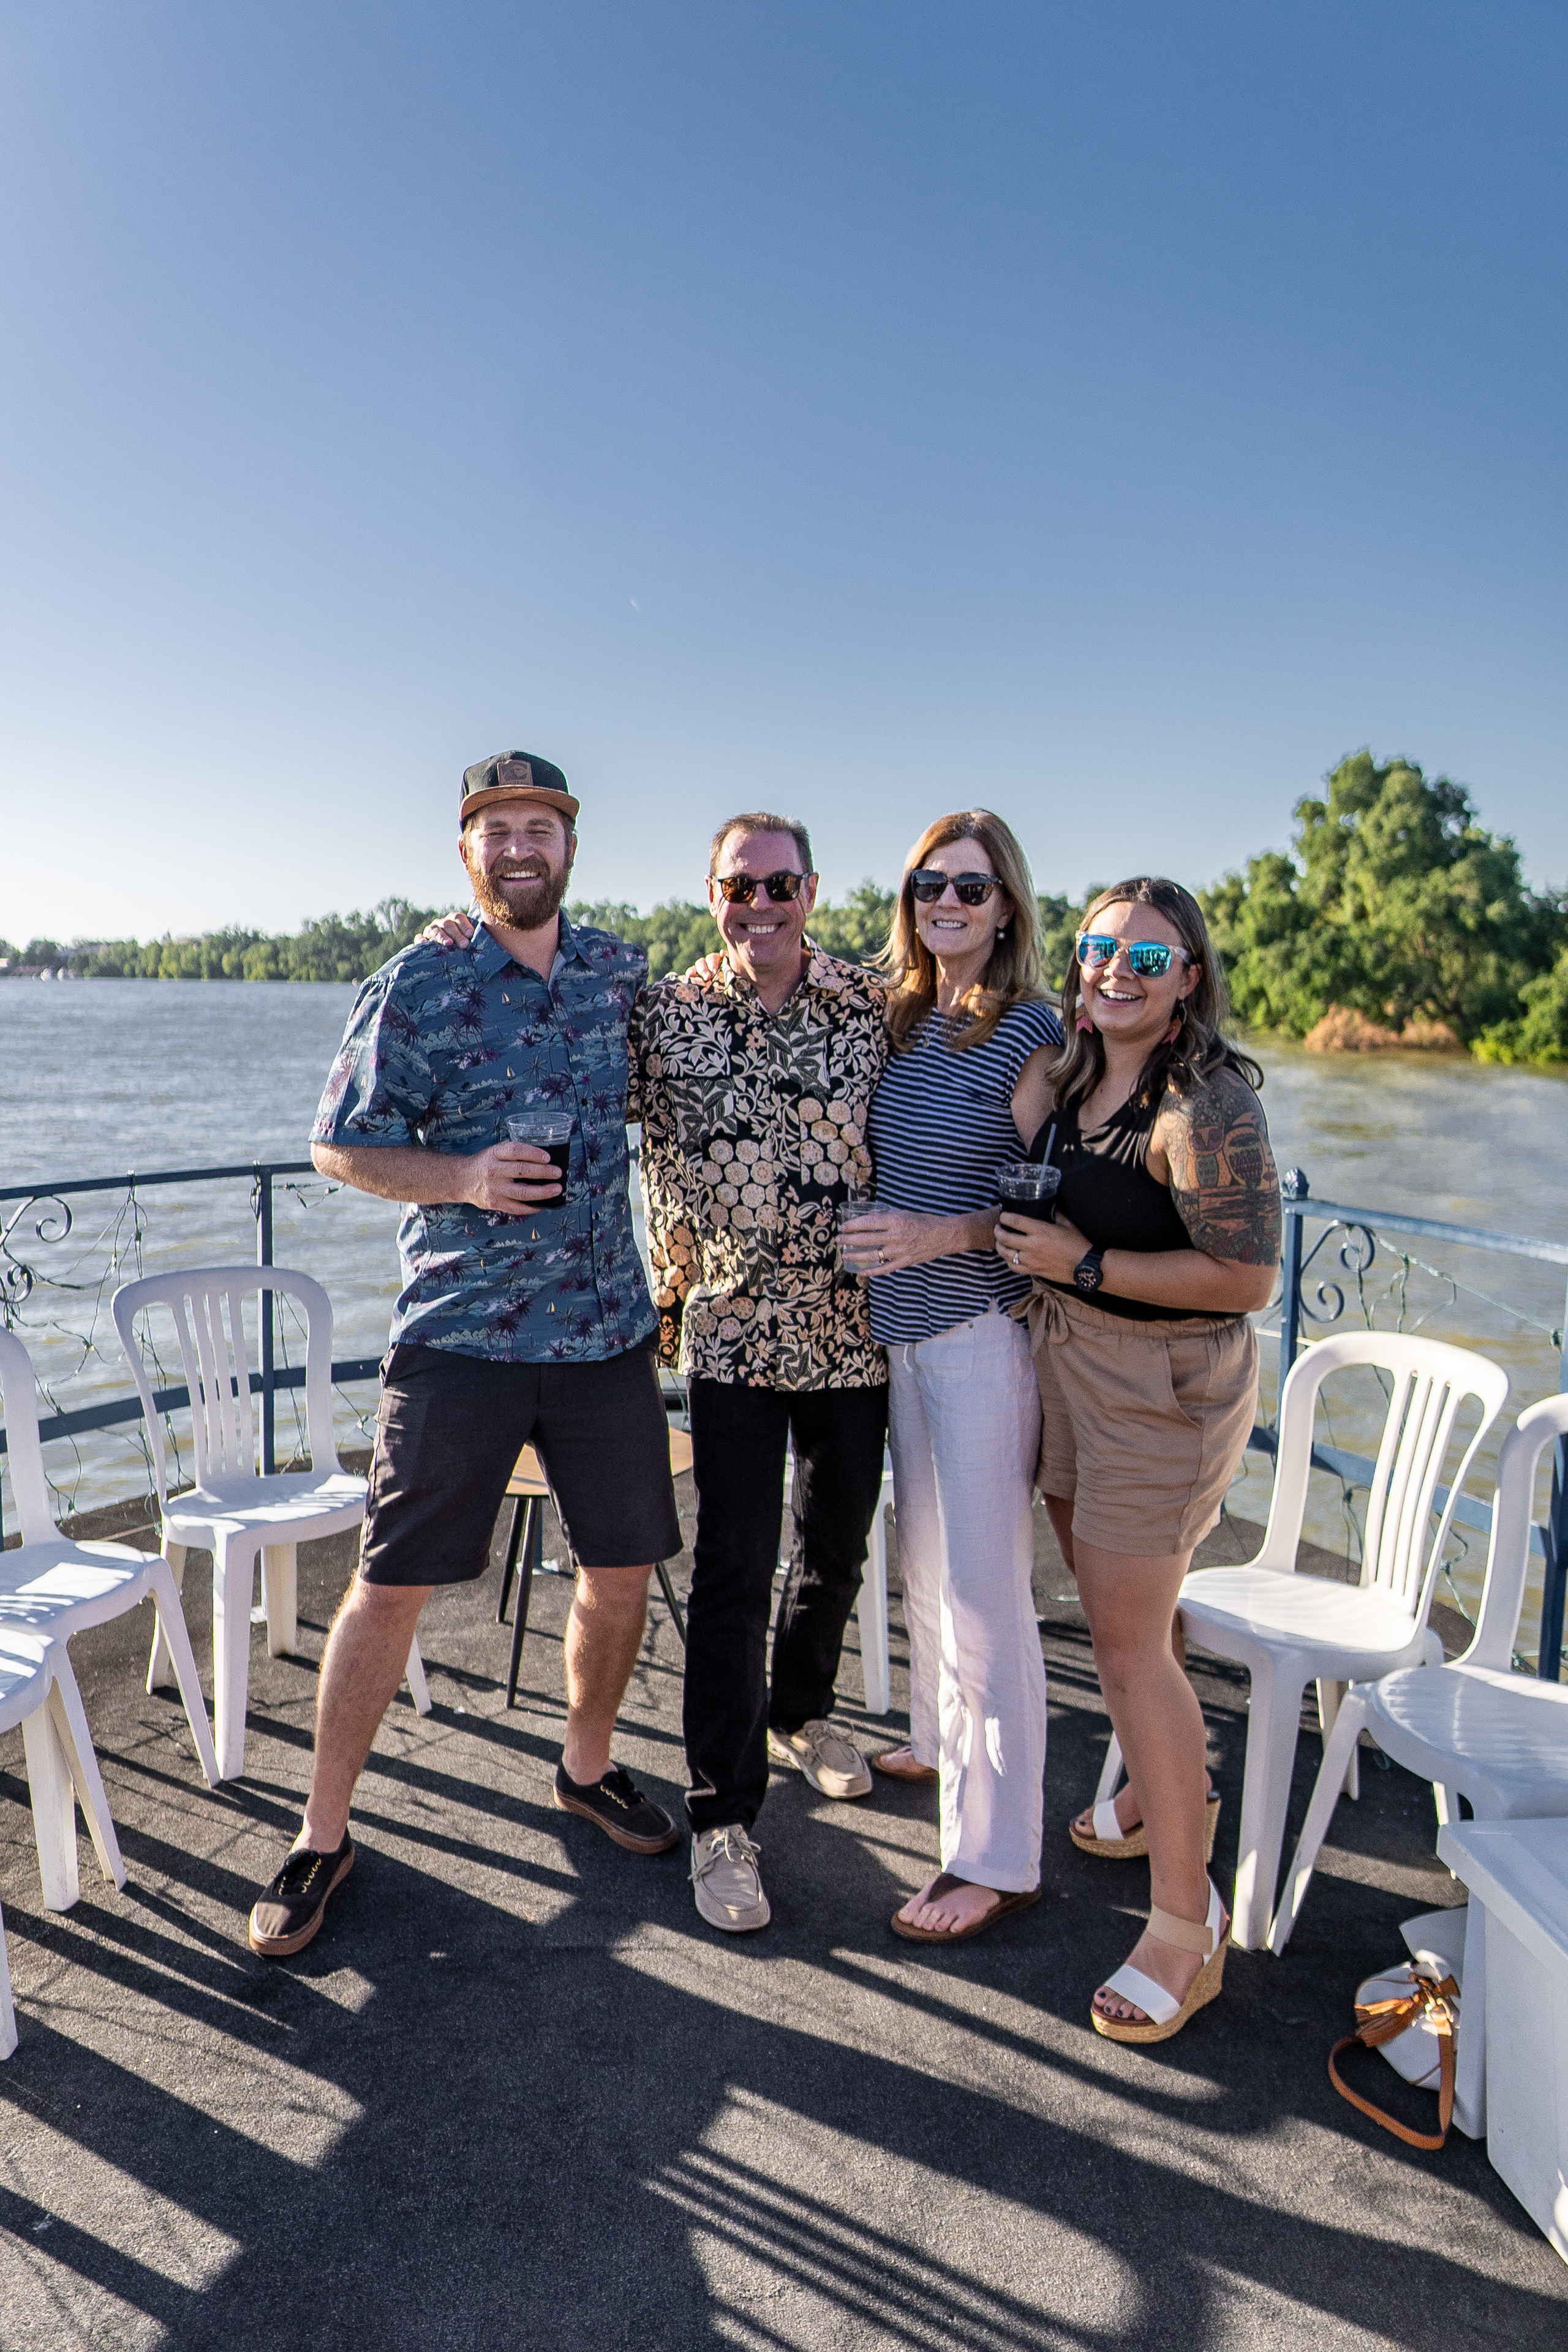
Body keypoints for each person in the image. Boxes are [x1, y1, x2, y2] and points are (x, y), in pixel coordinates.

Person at [247, 752, 684, 1961]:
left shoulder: (618, 975)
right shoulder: (419, 982)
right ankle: (321, 1835)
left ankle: (584, 1770)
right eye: (494, 830)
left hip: (605, 1333)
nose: (517, 847)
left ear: (570, 847)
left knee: (622, 1568)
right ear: (465, 852)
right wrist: (462, 1178)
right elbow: (339, 1145)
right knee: (388, 1584)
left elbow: (722, 1034)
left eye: (538, 826)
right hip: (461, 1336)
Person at [996, 876, 1279, 2043]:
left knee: (1124, 1647)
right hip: (1075, 1363)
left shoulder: (1203, 1106)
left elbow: (1248, 1281)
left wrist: (1086, 1266)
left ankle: (1184, 1921)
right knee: (1137, 1622)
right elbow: (1011, 1122)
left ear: (1190, 981)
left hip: (1161, 1391)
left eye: (1146, 959)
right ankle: (1172, 1799)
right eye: (1099, 948)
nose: (1115, 969)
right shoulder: (1074, 1067)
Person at [631, 814, 891, 1934]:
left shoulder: (877, 1004)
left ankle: (805, 1710)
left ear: (813, 891)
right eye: (741, 886)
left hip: (855, 1333)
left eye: (780, 884)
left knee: (833, 1551)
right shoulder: (667, 1015)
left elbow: (984, 1067)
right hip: (730, 1334)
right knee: (733, 1574)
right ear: (712, 894)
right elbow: (601, 1126)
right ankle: (724, 1819)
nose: (761, 905)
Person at [835, 813, 1061, 1941]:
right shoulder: (904, 1016)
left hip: (976, 1333)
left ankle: (996, 1857)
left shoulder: (1031, 1032)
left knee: (984, 1600)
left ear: (1006, 907)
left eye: (971, 890)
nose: (947, 904)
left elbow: (1042, 1208)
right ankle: (934, 1741)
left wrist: (936, 1236)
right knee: (923, 1568)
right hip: (902, 1337)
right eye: (930, 885)